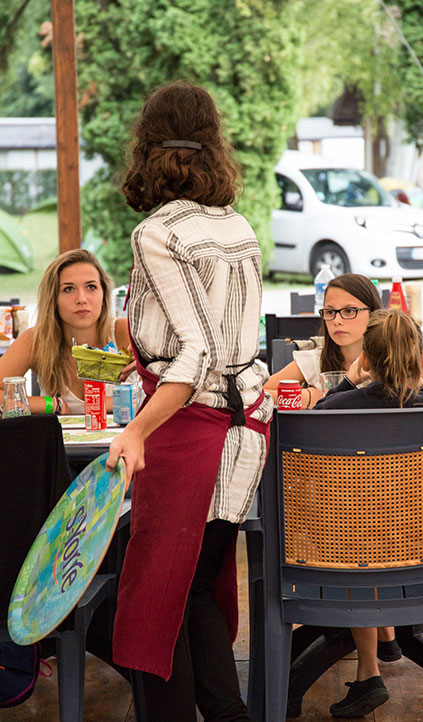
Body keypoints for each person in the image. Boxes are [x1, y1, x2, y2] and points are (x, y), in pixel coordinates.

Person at [105, 80, 273, 722]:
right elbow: (229, 347)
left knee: (157, 600)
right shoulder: (240, 227)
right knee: (198, 591)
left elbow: (197, 352)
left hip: (186, 433)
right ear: (214, 146)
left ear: (146, 146)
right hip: (241, 435)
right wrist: (148, 350)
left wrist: (137, 430)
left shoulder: (157, 233)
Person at [315, 309, 423, 717]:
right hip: (422, 553)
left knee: (357, 529)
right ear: (420, 359)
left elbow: (319, 410)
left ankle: (370, 668)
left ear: (366, 358)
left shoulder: (336, 409)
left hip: (342, 558)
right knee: (374, 530)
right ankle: (387, 644)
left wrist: (352, 379)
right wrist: (418, 377)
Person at [264, 272, 423, 409]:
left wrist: (401, 396)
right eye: (330, 312)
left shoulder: (395, 361)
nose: (337, 320)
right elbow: (258, 395)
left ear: (374, 313)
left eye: (349, 311)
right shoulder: (314, 360)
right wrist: (307, 397)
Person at [0, 248, 132, 415]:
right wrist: (52, 404)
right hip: (59, 441)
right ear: (53, 299)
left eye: (91, 287)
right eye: (68, 289)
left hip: (123, 440)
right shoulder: (37, 340)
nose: (81, 299)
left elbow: (167, 390)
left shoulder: (125, 332)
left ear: (104, 293)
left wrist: (104, 404)